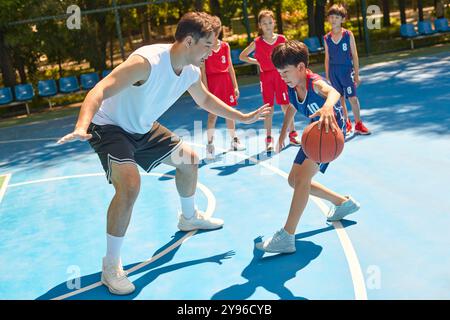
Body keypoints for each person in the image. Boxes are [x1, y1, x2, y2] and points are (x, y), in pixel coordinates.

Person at [57, 12, 271, 295]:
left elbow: (205, 99)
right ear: (189, 41)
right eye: (208, 45)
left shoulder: (191, 71)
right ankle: (111, 265)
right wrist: (82, 125)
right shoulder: (146, 62)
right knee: (130, 186)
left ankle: (188, 217)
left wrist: (242, 118)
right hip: (109, 126)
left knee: (189, 160)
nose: (213, 50)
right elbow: (100, 90)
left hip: (142, 126)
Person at [256, 40, 360, 254]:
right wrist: (283, 132)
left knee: (303, 179)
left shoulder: (314, 83)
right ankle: (342, 203)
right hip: (315, 133)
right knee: (294, 180)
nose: (282, 77)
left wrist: (328, 107)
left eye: (285, 72)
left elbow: (334, 93)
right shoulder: (293, 86)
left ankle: (287, 235)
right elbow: (292, 108)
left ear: (301, 68)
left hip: (330, 135)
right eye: (280, 73)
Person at [239, 9, 302, 152]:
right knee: (268, 109)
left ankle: (292, 134)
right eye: (264, 23)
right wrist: (258, 62)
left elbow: (289, 54)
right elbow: (242, 56)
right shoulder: (257, 42)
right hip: (266, 78)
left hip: (281, 76)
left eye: (269, 22)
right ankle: (268, 139)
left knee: (286, 106)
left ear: (274, 23)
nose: (267, 25)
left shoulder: (281, 39)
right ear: (260, 26)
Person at [200, 16, 245, 160]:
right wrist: (205, 89)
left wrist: (235, 86)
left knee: (230, 113)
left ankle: (234, 140)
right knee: (212, 115)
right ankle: (209, 144)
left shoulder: (225, 46)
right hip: (213, 84)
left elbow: (230, 67)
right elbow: (203, 72)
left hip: (226, 83)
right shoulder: (204, 48)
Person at [324, 4, 370, 135]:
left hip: (346, 71)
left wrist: (357, 74)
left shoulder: (348, 35)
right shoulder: (327, 38)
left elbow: (354, 55)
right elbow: (327, 58)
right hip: (334, 72)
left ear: (342, 19)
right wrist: (327, 75)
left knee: (353, 98)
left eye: (337, 17)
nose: (333, 20)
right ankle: (347, 123)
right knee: (340, 100)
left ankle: (359, 124)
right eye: (331, 17)